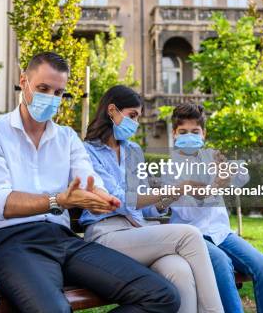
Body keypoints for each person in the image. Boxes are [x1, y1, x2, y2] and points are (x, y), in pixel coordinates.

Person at [0, 52, 181, 313]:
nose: (51, 98)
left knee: (161, 296)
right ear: (23, 81)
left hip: (63, 239)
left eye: (58, 92)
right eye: (43, 88)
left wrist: (102, 197)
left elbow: (89, 180)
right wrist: (59, 200)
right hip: (10, 242)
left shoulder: (67, 137)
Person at [79, 85, 223, 313]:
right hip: (106, 234)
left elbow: (147, 209)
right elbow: (116, 199)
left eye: (138, 117)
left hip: (138, 231)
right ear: (112, 111)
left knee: (180, 271)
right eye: (132, 116)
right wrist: (174, 188)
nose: (135, 123)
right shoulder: (87, 151)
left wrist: (175, 194)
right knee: (190, 235)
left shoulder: (133, 150)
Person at [167, 103, 263, 313]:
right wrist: (215, 186)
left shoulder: (210, 157)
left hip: (222, 233)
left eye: (195, 131)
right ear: (174, 134)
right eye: (183, 132)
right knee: (222, 264)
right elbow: (190, 211)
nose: (189, 136)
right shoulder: (171, 170)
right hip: (193, 237)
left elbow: (242, 177)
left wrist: (227, 169)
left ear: (203, 134)